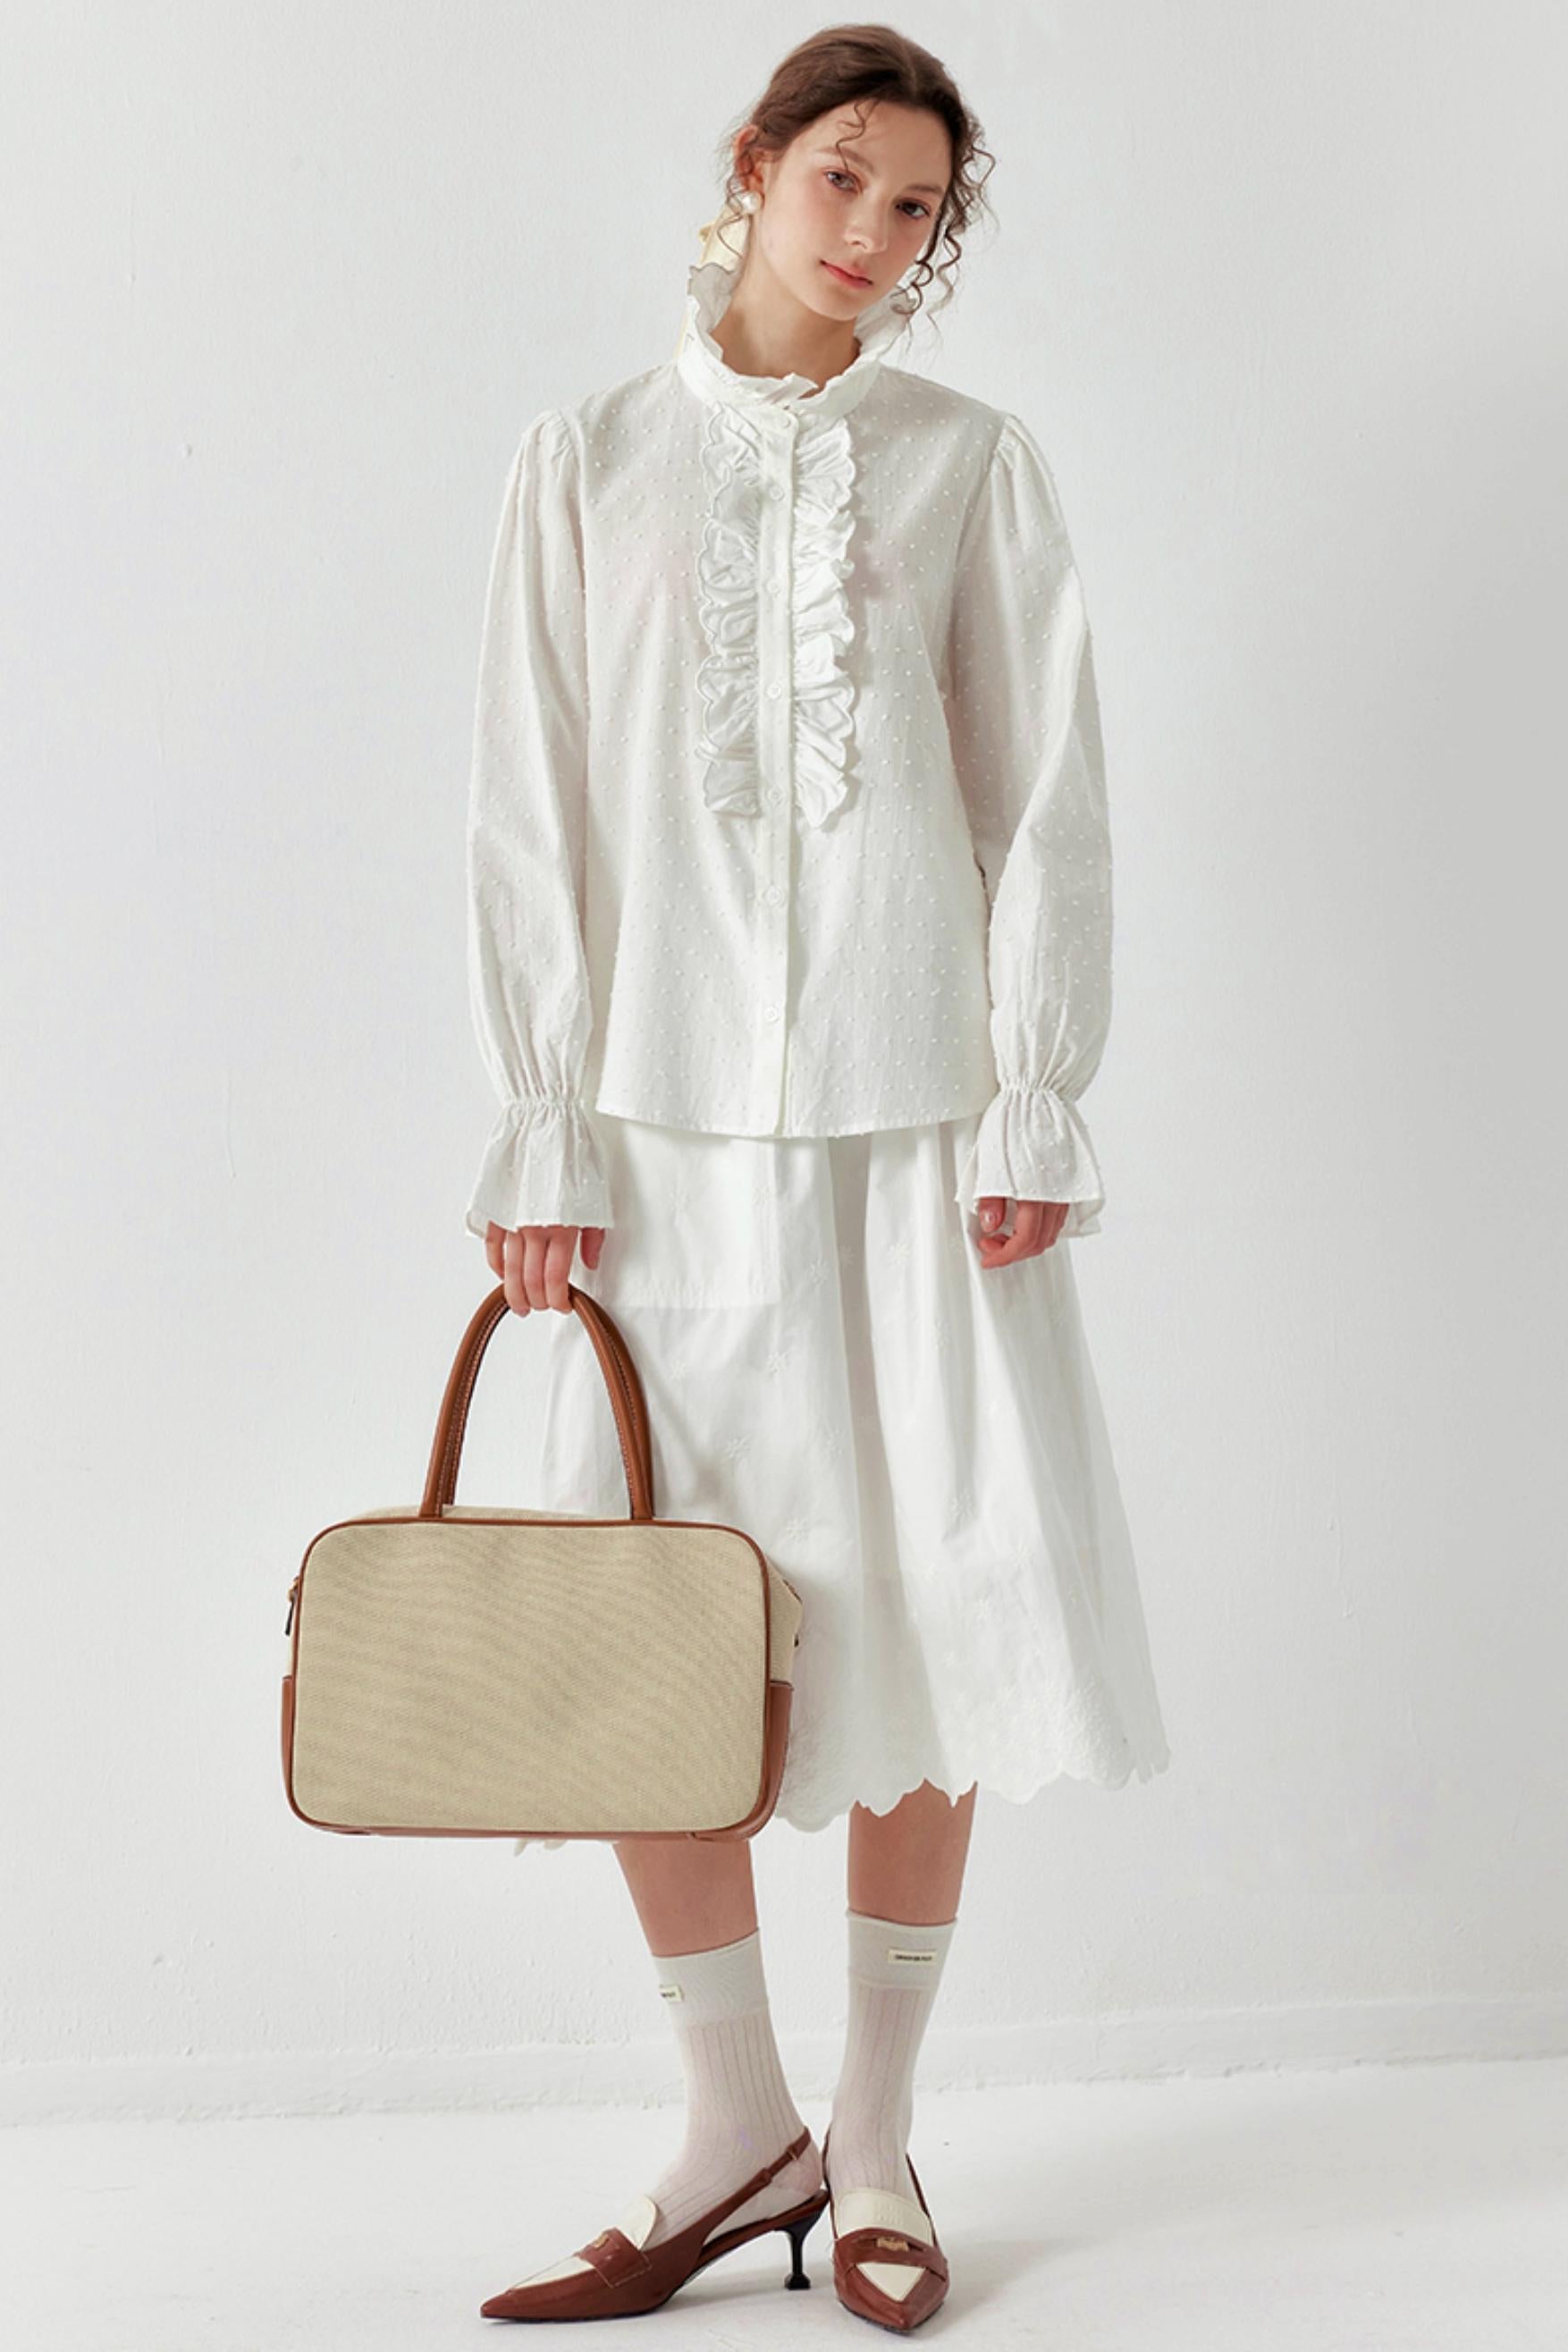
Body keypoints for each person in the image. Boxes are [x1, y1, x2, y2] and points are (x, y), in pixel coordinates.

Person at [462, 24, 1170, 2331]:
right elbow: (532, 812)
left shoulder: (971, 465)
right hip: (656, 1142)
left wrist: (1034, 1094)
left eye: (915, 208)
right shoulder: (584, 461)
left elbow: (1040, 796)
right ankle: (730, 2120)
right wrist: (542, 1116)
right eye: (842, 179)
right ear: (754, 165)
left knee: (921, 1614)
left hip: (915, 1126)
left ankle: (871, 2134)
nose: (870, 233)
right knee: (644, 1634)